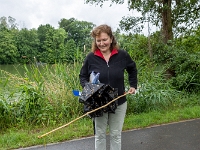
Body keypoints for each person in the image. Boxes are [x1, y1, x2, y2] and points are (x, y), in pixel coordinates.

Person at [79, 24, 137, 150]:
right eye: (98, 40)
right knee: (100, 135)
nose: (101, 43)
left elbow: (132, 69)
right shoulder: (91, 57)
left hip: (119, 101)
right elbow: (82, 76)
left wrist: (133, 85)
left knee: (116, 135)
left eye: (104, 40)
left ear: (111, 39)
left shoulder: (122, 55)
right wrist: (88, 88)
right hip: (99, 103)